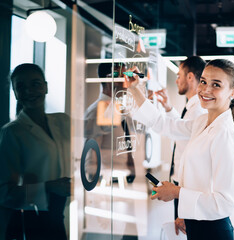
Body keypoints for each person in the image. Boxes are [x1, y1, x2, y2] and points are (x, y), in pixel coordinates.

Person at [127, 59, 234, 240]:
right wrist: (135, 89)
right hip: (196, 222)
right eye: (204, 81)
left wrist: (176, 193)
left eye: (216, 85)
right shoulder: (202, 122)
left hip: (213, 231)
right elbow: (163, 124)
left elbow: (225, 203)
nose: (206, 89)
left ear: (233, 91)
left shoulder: (223, 134)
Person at [0, 63, 71, 240]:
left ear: (45, 87)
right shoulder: (12, 132)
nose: (29, 91)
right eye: (21, 87)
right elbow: (5, 193)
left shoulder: (62, 121)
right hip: (32, 221)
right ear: (15, 93)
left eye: (35, 84)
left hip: (58, 215)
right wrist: (49, 187)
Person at [154, 56, 206, 235]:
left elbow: (172, 129)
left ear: (190, 77)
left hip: (186, 188)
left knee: (186, 232)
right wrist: (168, 108)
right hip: (183, 187)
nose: (176, 80)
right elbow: (182, 129)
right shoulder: (192, 107)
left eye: (179, 75)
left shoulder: (198, 109)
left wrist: (138, 99)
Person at [84, 62, 135, 184]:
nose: (126, 82)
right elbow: (92, 147)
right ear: (109, 79)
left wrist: (130, 163)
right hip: (106, 178)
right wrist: (94, 176)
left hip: (118, 174)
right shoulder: (101, 109)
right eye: (122, 76)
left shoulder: (115, 108)